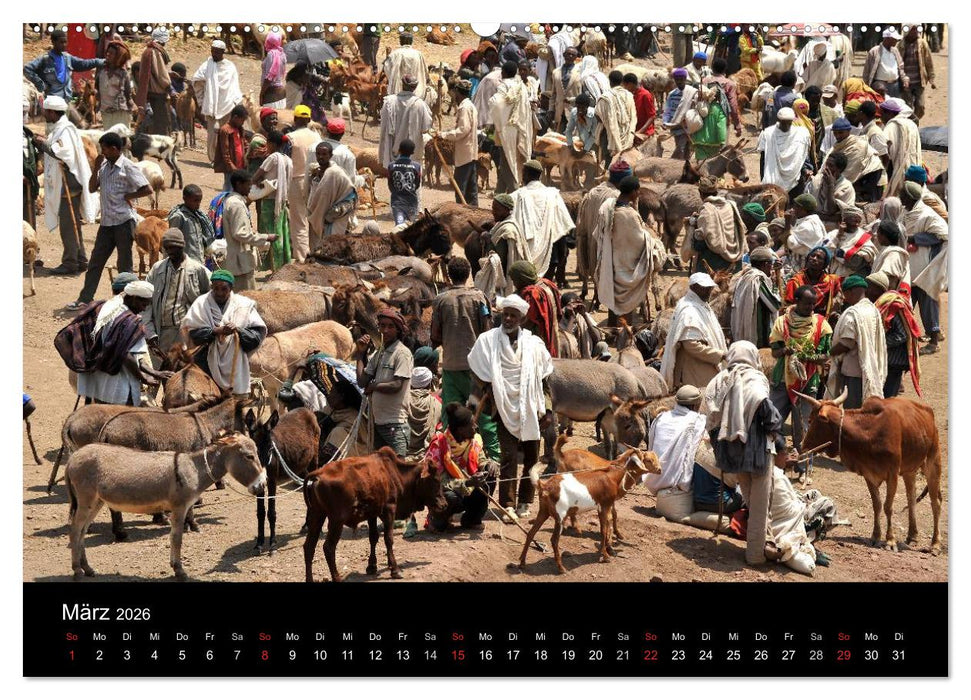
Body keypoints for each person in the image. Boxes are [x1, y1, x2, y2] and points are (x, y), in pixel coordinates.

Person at [468, 294, 554, 521]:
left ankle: (525, 501)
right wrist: (476, 406)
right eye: (505, 314)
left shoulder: (534, 345)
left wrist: (548, 410)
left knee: (531, 458)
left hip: (531, 409)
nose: (508, 319)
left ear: (521, 319)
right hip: (502, 409)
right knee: (508, 457)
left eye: (513, 316)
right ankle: (507, 505)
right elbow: (477, 376)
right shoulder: (487, 342)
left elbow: (544, 381)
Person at [705, 341, 785, 566]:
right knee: (760, 504)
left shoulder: (719, 380)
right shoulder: (755, 379)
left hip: (731, 451)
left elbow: (711, 417)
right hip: (758, 451)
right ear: (753, 357)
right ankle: (756, 556)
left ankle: (766, 542)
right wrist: (777, 436)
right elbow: (770, 415)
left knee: (750, 496)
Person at [70, 132, 151, 309]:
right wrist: (96, 168)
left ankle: (126, 303)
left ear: (114, 149)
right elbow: (92, 188)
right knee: (95, 262)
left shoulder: (127, 166)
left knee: (124, 265)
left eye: (104, 149)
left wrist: (129, 196)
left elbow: (147, 189)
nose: (102, 152)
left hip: (124, 222)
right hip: (106, 224)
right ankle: (85, 298)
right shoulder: (105, 167)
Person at [430, 256, 499, 460]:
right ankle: (494, 458)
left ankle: (448, 457)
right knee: (483, 414)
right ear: (469, 274)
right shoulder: (479, 298)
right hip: (477, 369)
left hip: (451, 366)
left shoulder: (440, 300)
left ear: (449, 275)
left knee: (450, 414)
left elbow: (435, 335)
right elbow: (488, 331)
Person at [74, 280, 169, 406]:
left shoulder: (110, 306)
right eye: (143, 304)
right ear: (134, 298)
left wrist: (154, 372)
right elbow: (125, 355)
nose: (144, 309)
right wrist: (143, 377)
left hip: (98, 379)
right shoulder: (128, 321)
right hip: (116, 384)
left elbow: (135, 356)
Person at [36, 96, 98, 276]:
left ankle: (70, 263)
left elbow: (62, 153)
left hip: (68, 184)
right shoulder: (60, 128)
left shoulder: (65, 130)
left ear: (52, 112)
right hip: (67, 184)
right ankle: (80, 259)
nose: (44, 114)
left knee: (68, 225)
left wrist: (42, 144)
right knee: (73, 223)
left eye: (46, 111)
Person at [182, 270, 267, 396]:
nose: (219, 293)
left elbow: (255, 338)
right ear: (211, 287)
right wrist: (215, 331)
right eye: (216, 288)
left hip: (235, 366)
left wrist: (239, 330)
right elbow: (192, 335)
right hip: (205, 366)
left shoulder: (243, 305)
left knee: (236, 404)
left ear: (231, 288)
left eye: (224, 289)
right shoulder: (201, 303)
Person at [768, 285, 832, 449]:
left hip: (808, 382)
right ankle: (774, 457)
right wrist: (785, 351)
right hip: (782, 379)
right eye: (807, 303)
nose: (811, 307)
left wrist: (807, 357)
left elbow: (825, 356)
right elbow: (775, 352)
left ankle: (803, 461)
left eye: (813, 304)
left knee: (804, 427)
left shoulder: (821, 325)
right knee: (772, 420)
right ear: (796, 301)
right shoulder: (782, 323)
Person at [424, 402, 497, 532]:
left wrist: (488, 464)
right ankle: (437, 519)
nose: (475, 427)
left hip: (467, 490)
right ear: (460, 430)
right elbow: (437, 483)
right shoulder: (438, 446)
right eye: (472, 424)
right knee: (449, 496)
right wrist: (467, 483)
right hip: (447, 494)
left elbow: (481, 460)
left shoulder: (474, 441)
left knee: (489, 474)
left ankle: (471, 519)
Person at [645, 385, 717, 518]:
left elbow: (651, 448)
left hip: (655, 480)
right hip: (679, 485)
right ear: (696, 405)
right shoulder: (699, 421)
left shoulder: (660, 418)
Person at [593, 176, 654, 324]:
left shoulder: (609, 208)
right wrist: (651, 238)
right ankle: (625, 332)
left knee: (613, 297)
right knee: (627, 304)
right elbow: (639, 240)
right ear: (633, 192)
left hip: (611, 262)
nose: (638, 194)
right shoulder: (629, 214)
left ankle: (612, 327)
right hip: (626, 266)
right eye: (638, 191)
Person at [354, 308, 414, 456]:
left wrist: (374, 386)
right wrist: (360, 354)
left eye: (390, 326)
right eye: (382, 325)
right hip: (378, 423)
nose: (385, 330)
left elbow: (397, 385)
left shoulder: (402, 353)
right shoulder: (380, 353)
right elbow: (362, 381)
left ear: (398, 330)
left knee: (397, 466)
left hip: (395, 423)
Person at [144, 228, 211, 356]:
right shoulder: (157, 270)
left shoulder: (197, 270)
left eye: (174, 247)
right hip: (161, 332)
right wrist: (150, 333)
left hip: (187, 332)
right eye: (167, 248)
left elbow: (211, 297)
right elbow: (146, 303)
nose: (170, 251)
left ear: (182, 246)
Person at [899, 181, 948, 355]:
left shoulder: (927, 215)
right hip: (909, 265)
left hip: (924, 267)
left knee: (928, 307)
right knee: (905, 306)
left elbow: (943, 235)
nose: (900, 196)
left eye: (902, 194)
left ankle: (934, 342)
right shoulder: (905, 212)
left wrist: (915, 239)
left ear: (909, 197)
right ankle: (905, 340)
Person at [508, 160, 575, 285]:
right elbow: (562, 226)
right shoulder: (553, 195)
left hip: (523, 257)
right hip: (550, 256)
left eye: (523, 173)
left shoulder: (516, 196)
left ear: (526, 174)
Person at [827, 274, 887, 408]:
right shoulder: (873, 309)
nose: (844, 298)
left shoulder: (853, 313)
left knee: (853, 411)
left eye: (845, 294)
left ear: (850, 291)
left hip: (853, 372)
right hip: (870, 369)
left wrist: (827, 353)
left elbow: (846, 344)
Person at [660, 272, 728, 390]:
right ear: (694, 287)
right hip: (694, 368)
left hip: (702, 363)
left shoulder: (700, 304)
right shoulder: (689, 311)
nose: (708, 291)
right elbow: (690, 345)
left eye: (709, 288)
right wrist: (720, 355)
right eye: (704, 288)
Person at [24, 29, 105, 126]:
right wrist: (41, 84)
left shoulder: (67, 58)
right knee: (54, 128)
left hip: (66, 100)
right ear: (53, 42)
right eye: (61, 42)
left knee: (78, 126)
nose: (64, 45)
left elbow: (83, 64)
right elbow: (27, 69)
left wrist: (100, 62)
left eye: (65, 42)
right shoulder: (45, 59)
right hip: (53, 103)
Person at [575, 161, 631, 299]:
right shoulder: (617, 196)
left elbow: (581, 224)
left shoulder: (592, 192)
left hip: (591, 245)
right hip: (608, 248)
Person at [869, 271, 922, 398]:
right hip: (889, 359)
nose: (866, 290)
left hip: (894, 361)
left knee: (888, 397)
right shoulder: (882, 304)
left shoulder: (893, 306)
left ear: (878, 289)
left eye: (869, 287)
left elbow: (902, 335)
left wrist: (878, 342)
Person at [220, 170, 276, 291]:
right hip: (240, 262)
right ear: (239, 184)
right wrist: (265, 237)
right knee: (245, 295)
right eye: (248, 184)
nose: (251, 187)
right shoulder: (236, 205)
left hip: (237, 259)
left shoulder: (233, 200)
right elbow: (239, 233)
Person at [193, 40, 244, 164]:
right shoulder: (207, 65)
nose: (214, 54)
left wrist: (235, 101)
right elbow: (197, 81)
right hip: (211, 105)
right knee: (212, 135)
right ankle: (213, 159)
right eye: (212, 51)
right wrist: (202, 100)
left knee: (226, 133)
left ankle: (225, 159)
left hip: (227, 105)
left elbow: (234, 86)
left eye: (217, 52)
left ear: (222, 52)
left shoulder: (230, 66)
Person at [489, 61, 534, 194]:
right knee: (507, 160)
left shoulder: (504, 86)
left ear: (503, 73)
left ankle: (515, 192)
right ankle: (499, 194)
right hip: (520, 128)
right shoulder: (521, 86)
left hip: (507, 130)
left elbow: (496, 104)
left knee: (507, 162)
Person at [251, 130, 293, 269]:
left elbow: (256, 176)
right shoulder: (288, 159)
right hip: (282, 201)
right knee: (282, 232)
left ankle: (275, 266)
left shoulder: (273, 158)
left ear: (272, 144)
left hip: (270, 201)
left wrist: (257, 183)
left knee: (271, 234)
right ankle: (282, 265)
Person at [285, 105, 322, 262]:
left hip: (296, 180)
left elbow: (286, 162)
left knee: (299, 222)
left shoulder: (290, 138)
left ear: (295, 119)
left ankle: (302, 259)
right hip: (315, 180)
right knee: (314, 220)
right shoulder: (317, 137)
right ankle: (316, 255)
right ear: (308, 120)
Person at [434, 79, 478, 205]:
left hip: (464, 155)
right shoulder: (471, 106)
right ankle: (474, 212)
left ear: (457, 92)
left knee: (461, 189)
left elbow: (462, 130)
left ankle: (462, 213)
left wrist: (443, 135)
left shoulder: (464, 108)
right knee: (471, 190)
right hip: (470, 153)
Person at [507, 261, 562, 358]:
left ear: (522, 279)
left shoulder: (532, 295)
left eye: (514, 280)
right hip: (554, 330)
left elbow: (527, 321)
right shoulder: (546, 283)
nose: (514, 284)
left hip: (539, 338)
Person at [824, 118, 885, 203]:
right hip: (859, 179)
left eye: (841, 133)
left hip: (870, 180)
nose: (837, 136)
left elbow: (848, 175)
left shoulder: (857, 147)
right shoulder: (840, 144)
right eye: (835, 133)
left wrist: (830, 186)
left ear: (849, 131)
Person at [378, 74, 433, 168]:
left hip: (392, 153)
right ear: (415, 88)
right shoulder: (420, 104)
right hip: (412, 156)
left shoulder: (389, 102)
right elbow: (425, 128)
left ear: (402, 84)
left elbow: (383, 127)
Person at [731, 247, 781, 348]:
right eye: (771, 265)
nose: (771, 268)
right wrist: (774, 284)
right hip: (758, 336)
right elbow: (775, 305)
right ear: (766, 264)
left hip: (741, 328)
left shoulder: (744, 277)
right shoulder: (758, 280)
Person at [307, 142, 356, 244]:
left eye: (324, 154)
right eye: (318, 154)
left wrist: (333, 213)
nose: (321, 157)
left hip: (333, 219)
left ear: (330, 155)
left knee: (333, 246)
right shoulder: (315, 173)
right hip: (317, 217)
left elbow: (351, 195)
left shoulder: (335, 173)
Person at [758, 107, 811, 198]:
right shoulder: (768, 134)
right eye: (783, 123)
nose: (786, 126)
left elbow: (801, 157)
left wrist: (806, 169)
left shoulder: (801, 135)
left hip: (795, 179)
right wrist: (763, 178)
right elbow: (763, 159)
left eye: (788, 123)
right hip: (773, 179)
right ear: (778, 120)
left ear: (792, 121)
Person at [784, 246, 842, 317]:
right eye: (812, 255)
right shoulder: (795, 281)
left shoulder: (832, 281)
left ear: (824, 264)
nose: (814, 259)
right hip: (799, 319)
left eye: (819, 257)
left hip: (823, 319)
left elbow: (837, 300)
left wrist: (833, 313)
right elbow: (788, 305)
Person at [881, 98, 922, 197]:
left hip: (895, 167)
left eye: (883, 114)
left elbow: (884, 146)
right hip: (913, 168)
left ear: (890, 113)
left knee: (895, 193)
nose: (881, 117)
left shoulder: (892, 125)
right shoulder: (912, 124)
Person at [134, 28, 171, 135]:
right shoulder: (156, 52)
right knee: (161, 125)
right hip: (158, 95)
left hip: (149, 93)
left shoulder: (147, 51)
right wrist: (169, 87)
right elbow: (161, 74)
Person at [166, 185, 215, 265]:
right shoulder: (179, 217)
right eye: (195, 201)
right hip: (184, 264)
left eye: (199, 201)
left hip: (198, 261)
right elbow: (171, 242)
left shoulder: (198, 216)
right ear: (185, 198)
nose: (198, 204)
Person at [805, 152, 856, 222]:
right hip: (811, 221)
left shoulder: (846, 187)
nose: (826, 168)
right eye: (826, 164)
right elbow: (805, 205)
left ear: (839, 169)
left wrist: (831, 185)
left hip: (832, 225)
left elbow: (836, 213)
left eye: (831, 166)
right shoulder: (816, 180)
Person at [825, 206, 874, 278]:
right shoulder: (833, 234)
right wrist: (839, 236)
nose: (857, 224)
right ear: (844, 220)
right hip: (832, 275)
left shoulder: (862, 236)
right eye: (854, 221)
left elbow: (857, 261)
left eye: (858, 222)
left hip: (852, 277)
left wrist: (836, 252)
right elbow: (825, 251)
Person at [900, 24, 935, 122]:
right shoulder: (900, 45)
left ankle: (914, 121)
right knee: (907, 106)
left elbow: (928, 61)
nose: (915, 32)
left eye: (916, 30)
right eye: (912, 30)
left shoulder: (922, 44)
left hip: (919, 81)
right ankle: (910, 125)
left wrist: (931, 78)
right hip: (905, 82)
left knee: (920, 106)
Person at [783, 194, 827, 271]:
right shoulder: (812, 221)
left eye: (796, 206)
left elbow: (790, 243)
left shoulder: (807, 226)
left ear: (803, 209)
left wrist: (787, 221)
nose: (793, 209)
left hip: (807, 266)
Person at [405, 366, 441, 459]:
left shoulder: (402, 401)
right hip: (426, 455)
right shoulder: (436, 404)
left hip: (403, 452)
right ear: (429, 384)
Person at [98, 40, 134, 131]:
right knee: (109, 136)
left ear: (118, 57)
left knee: (121, 136)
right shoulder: (101, 71)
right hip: (106, 112)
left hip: (120, 112)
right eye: (107, 52)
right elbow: (97, 89)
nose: (108, 55)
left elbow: (128, 94)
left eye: (111, 53)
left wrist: (132, 107)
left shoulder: (123, 74)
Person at [703, 57, 742, 139]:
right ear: (725, 70)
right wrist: (737, 124)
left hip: (704, 116)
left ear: (712, 68)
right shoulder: (730, 84)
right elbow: (733, 105)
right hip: (722, 118)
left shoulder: (705, 81)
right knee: (721, 143)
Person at [213, 104, 249, 191]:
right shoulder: (225, 130)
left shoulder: (240, 129)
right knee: (229, 189)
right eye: (242, 120)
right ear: (235, 117)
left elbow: (244, 144)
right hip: (231, 169)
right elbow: (225, 152)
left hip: (240, 166)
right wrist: (232, 167)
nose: (243, 122)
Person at [662, 67, 696, 160]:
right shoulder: (672, 94)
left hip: (687, 125)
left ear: (685, 79)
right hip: (676, 125)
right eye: (677, 79)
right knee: (681, 147)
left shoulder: (692, 92)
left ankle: (675, 163)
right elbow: (667, 110)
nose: (679, 81)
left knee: (683, 148)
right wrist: (665, 121)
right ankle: (683, 164)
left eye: (681, 79)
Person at [870, 217, 911, 293]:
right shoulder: (886, 251)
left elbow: (891, 282)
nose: (876, 235)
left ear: (884, 236)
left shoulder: (894, 254)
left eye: (878, 232)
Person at [863, 28, 906, 98]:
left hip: (895, 85)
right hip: (880, 86)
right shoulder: (874, 51)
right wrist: (866, 87)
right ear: (888, 39)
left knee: (895, 104)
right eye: (894, 39)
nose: (896, 41)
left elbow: (901, 67)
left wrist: (904, 79)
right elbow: (866, 71)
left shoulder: (895, 51)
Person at [388, 139, 422, 225]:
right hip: (412, 202)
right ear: (412, 153)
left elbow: (390, 184)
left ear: (399, 150)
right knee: (411, 227)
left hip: (397, 202)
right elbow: (417, 184)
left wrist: (396, 192)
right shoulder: (417, 166)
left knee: (400, 226)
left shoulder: (391, 166)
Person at [551, 47, 582, 129]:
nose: (570, 56)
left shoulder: (580, 72)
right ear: (564, 55)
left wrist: (572, 100)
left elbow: (582, 94)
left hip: (574, 109)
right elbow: (553, 93)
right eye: (568, 54)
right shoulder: (556, 72)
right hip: (559, 110)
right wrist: (551, 110)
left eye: (573, 55)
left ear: (576, 57)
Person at [320, 118, 357, 185]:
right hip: (336, 191)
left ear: (327, 131)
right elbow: (351, 181)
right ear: (343, 133)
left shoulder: (313, 148)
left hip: (315, 189)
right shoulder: (348, 155)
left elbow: (307, 174)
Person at [623, 73, 656, 140]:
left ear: (630, 84)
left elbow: (652, 116)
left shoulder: (645, 95)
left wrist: (640, 131)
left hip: (645, 133)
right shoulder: (632, 95)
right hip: (635, 131)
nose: (625, 88)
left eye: (626, 86)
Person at [260, 32, 287, 109]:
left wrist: (261, 94)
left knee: (269, 115)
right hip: (281, 93)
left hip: (271, 93)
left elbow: (269, 78)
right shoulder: (282, 54)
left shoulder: (271, 54)